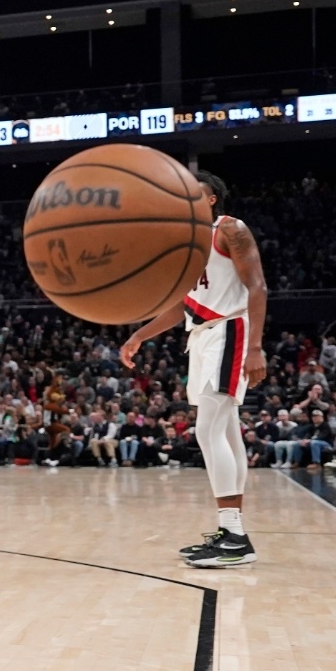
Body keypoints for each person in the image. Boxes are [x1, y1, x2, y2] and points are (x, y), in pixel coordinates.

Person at [121, 171, 268, 568]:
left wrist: (255, 347)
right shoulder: (185, 244)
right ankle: (232, 532)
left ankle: (234, 536)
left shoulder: (230, 230)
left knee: (208, 430)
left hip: (230, 329)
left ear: (212, 199)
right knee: (227, 432)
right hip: (202, 336)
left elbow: (257, 287)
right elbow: (183, 306)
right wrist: (139, 336)